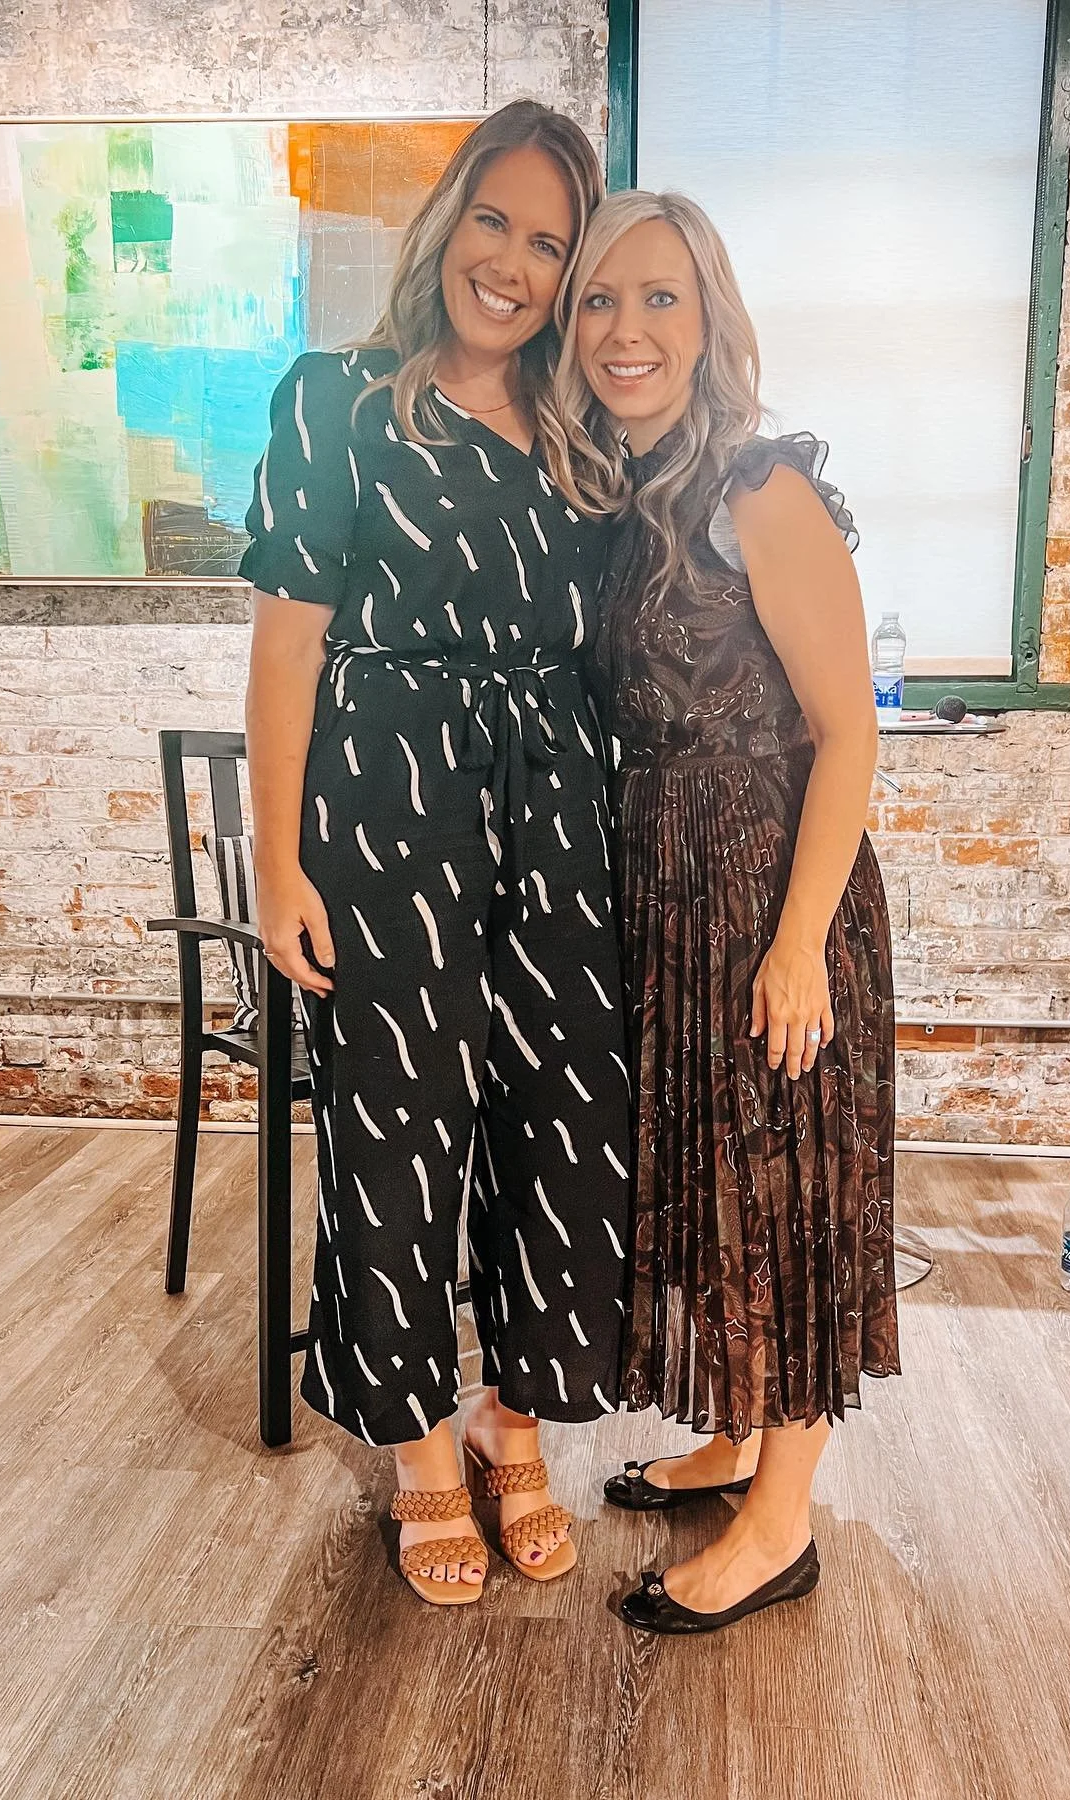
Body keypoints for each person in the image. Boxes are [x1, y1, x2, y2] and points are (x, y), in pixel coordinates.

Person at [240, 102, 631, 1607]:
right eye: (495, 222)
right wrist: (279, 863)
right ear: (449, 220)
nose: (514, 264)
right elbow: (287, 646)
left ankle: (510, 1420)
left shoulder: (585, 435)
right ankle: (415, 1448)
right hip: (388, 798)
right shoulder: (338, 401)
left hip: (558, 807)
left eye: (549, 244)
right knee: (397, 1126)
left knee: (567, 1115)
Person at [555, 190, 899, 1634]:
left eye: (660, 298)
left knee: (787, 1189)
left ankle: (779, 1525)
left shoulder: (763, 488)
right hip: (660, 891)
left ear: (710, 322)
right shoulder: (606, 500)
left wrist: (799, 940)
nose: (626, 329)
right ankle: (736, 1442)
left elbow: (848, 732)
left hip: (767, 893)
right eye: (598, 299)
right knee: (711, 1186)